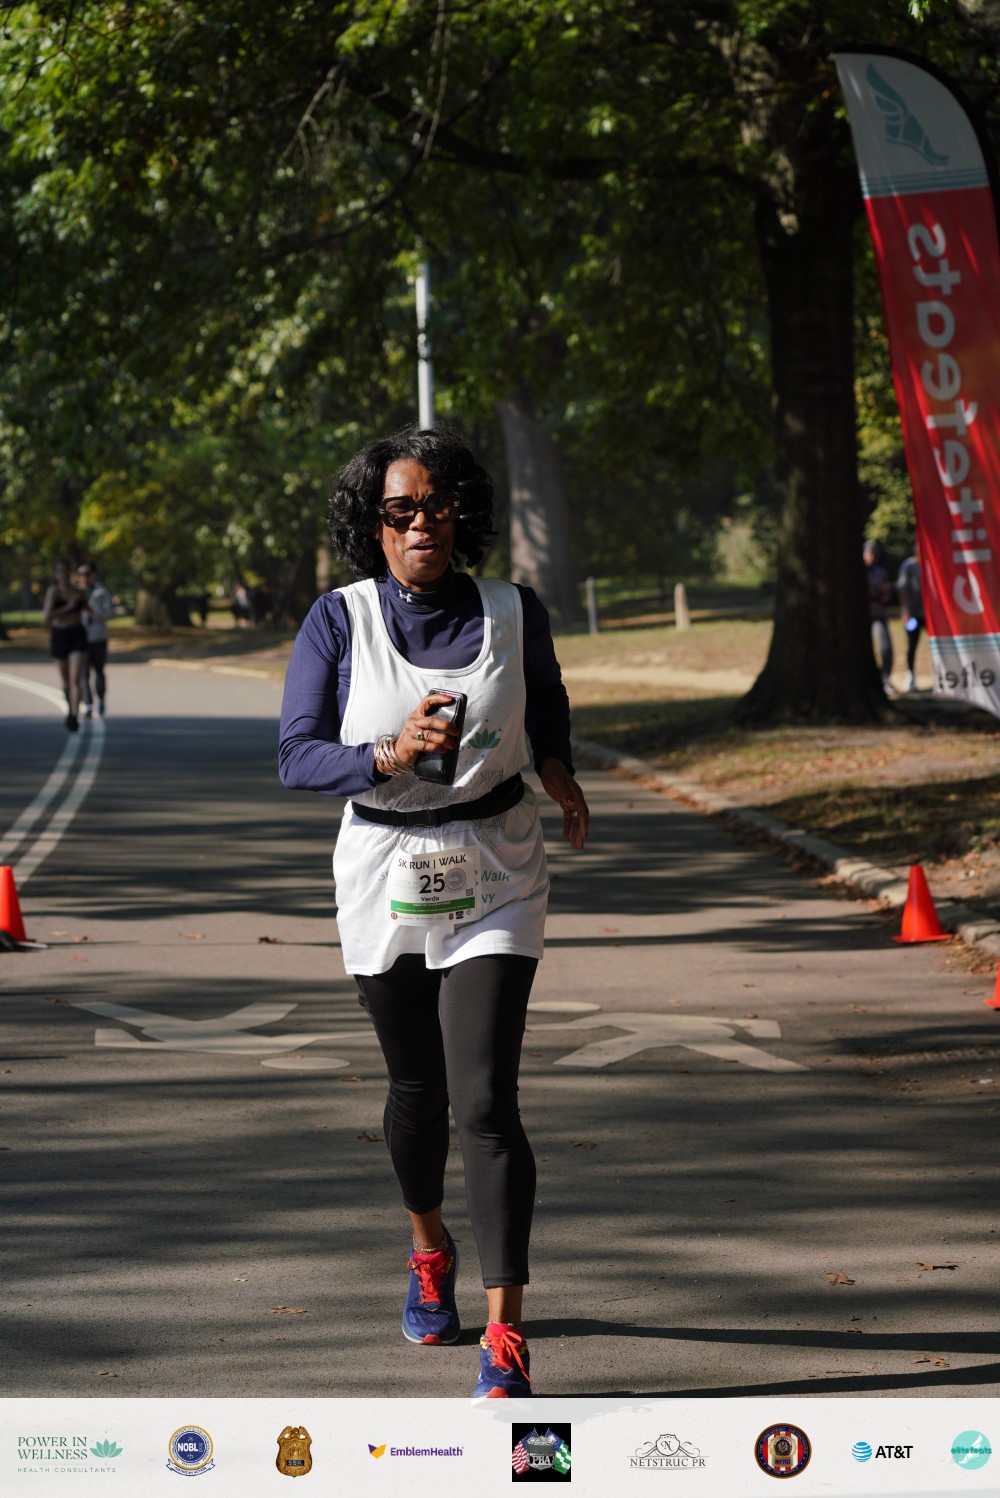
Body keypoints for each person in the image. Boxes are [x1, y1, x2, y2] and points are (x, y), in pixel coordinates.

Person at [278, 424, 589, 1400]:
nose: (422, 525)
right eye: (400, 510)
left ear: (463, 515)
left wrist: (555, 766)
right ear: (372, 524)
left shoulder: (513, 609)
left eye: (438, 506)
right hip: (384, 865)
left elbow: (544, 697)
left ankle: (506, 1333)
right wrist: (385, 755)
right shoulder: (338, 620)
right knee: (418, 1089)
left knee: (485, 1099)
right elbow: (296, 755)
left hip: (495, 862)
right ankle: (427, 1249)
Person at [43, 559, 88, 731]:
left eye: (66, 571)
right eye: (60, 571)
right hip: (60, 635)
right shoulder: (53, 592)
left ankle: (74, 715)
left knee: (75, 678)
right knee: (66, 681)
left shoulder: (79, 592)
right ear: (56, 573)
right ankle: (70, 709)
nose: (63, 574)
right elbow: (47, 615)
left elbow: (88, 609)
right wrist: (67, 607)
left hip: (77, 634)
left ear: (70, 573)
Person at [76, 561, 114, 717]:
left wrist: (92, 610)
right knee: (83, 672)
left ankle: (101, 699)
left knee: (99, 671)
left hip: (98, 637)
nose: (84, 578)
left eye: (87, 574)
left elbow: (108, 613)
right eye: (80, 574)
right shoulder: (75, 593)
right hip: (80, 637)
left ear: (93, 575)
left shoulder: (101, 592)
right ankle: (88, 704)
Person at [863, 539, 894, 691]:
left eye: (875, 553)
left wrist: (885, 593)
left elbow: (886, 596)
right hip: (863, 615)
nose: (872, 556)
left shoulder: (881, 573)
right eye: (870, 553)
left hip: (879, 613)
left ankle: (885, 679)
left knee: (885, 647)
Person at [896, 546, 925, 693]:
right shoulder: (908, 566)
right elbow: (902, 590)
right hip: (913, 614)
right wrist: (906, 612)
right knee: (912, 644)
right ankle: (910, 676)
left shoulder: (931, 564)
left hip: (928, 615)